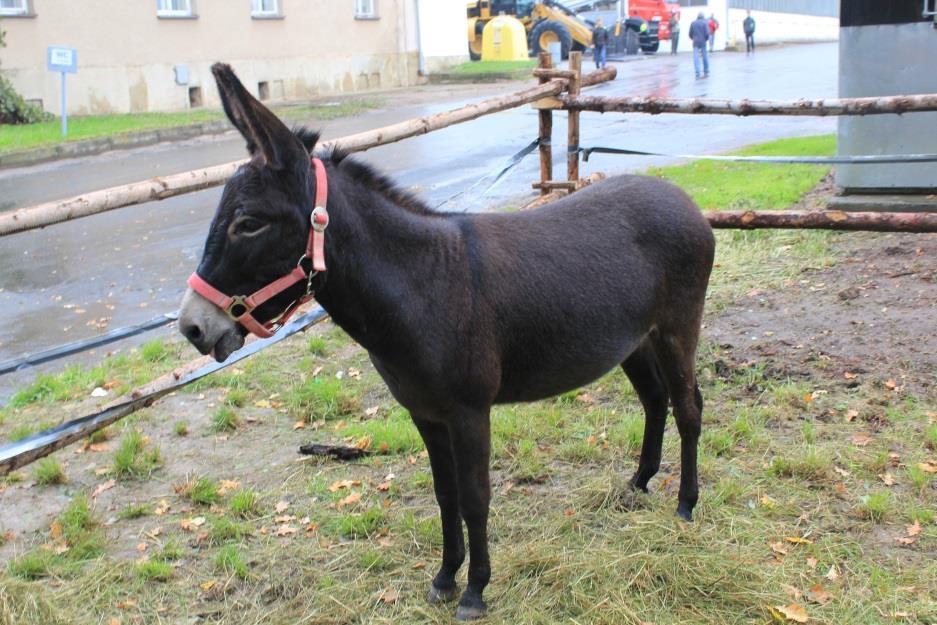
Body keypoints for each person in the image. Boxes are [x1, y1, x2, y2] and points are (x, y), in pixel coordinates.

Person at [689, 12, 709, 78]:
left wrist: (693, 38)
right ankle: (706, 70)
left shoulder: (693, 23)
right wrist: (705, 39)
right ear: (703, 17)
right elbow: (707, 34)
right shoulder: (704, 23)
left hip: (695, 42)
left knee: (696, 57)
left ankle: (697, 72)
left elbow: (690, 34)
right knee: (704, 56)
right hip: (703, 42)